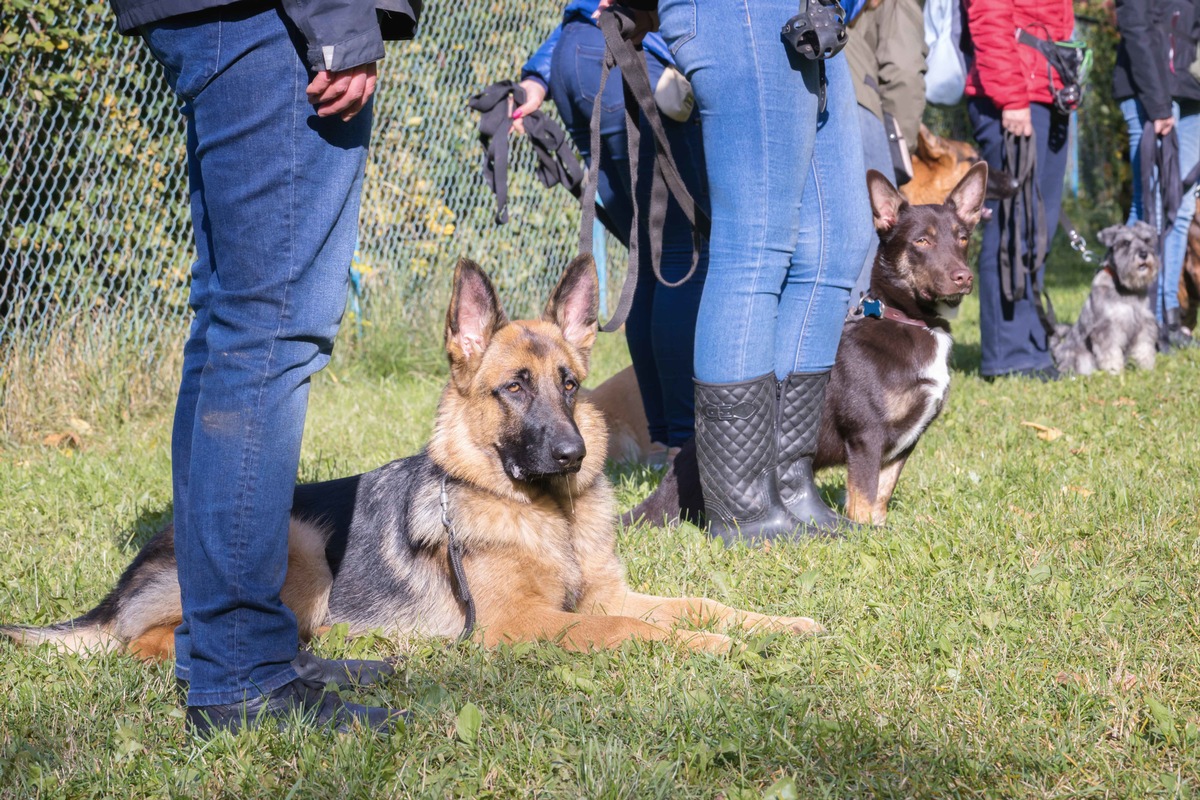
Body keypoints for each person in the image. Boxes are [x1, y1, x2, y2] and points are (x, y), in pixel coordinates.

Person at [110, 0, 416, 734]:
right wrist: (341, 18)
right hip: (275, 21)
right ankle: (243, 672)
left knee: (231, 324)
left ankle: (226, 648)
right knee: (269, 332)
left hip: (228, 18)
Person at [606, 0, 872, 542]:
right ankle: (742, 506)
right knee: (755, 241)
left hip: (815, 11)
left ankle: (789, 484)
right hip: (741, 12)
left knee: (838, 242)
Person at [513, 1, 710, 463]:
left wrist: (538, 76)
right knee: (682, 251)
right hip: (635, 54)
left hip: (574, 52)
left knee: (652, 259)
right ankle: (684, 442)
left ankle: (664, 441)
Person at [963, 0, 1075, 381]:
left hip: (1049, 92)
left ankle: (1032, 344)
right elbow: (989, 15)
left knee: (1037, 227)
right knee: (1011, 225)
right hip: (1011, 97)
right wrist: (1011, 97)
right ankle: (1007, 355)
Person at [1113, 0, 1200, 350]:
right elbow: (1135, 25)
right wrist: (1158, 103)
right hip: (1150, 91)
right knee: (1151, 207)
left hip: (1190, 91)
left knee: (1180, 210)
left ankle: (1167, 318)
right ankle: (1133, 317)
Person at [844, 0, 928, 299]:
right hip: (858, 105)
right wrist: (899, 152)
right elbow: (903, 72)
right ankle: (856, 334)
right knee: (864, 245)